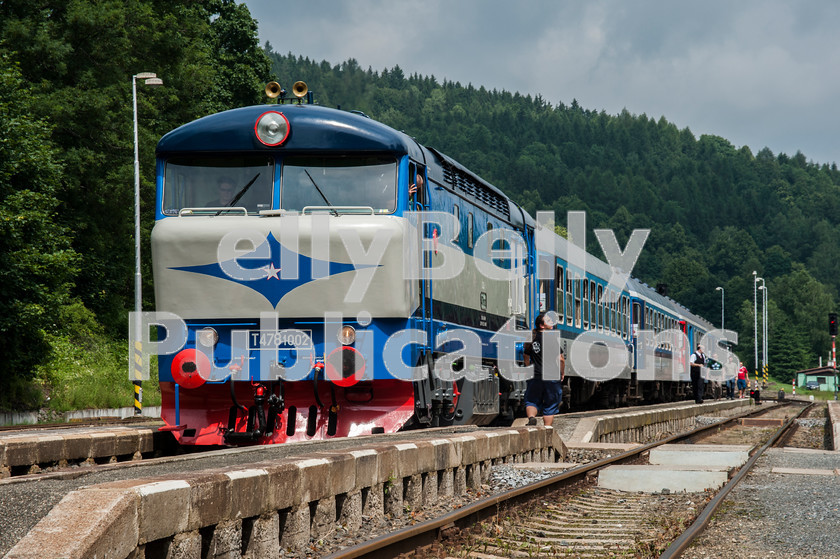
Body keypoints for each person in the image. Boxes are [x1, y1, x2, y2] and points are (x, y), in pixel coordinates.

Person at [524, 312, 565, 426]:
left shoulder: (532, 338)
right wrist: (562, 372)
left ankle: (532, 418)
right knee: (550, 404)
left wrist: (528, 368)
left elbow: (526, 356)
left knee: (532, 400)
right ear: (542, 325)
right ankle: (547, 428)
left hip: (535, 375)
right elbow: (561, 359)